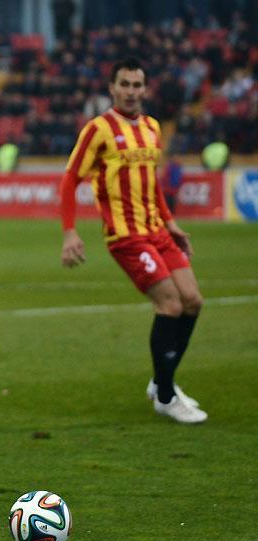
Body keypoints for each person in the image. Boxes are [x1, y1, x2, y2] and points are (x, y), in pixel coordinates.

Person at [60, 57, 207, 424]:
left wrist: (171, 223)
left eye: (136, 85)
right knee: (170, 304)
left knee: (192, 301)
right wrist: (70, 232)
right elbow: (70, 179)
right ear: (112, 88)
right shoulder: (98, 129)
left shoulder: (153, 128)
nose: (130, 91)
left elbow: (152, 183)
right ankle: (167, 396)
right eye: (124, 84)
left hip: (157, 230)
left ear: (145, 89)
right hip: (126, 236)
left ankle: (161, 382)